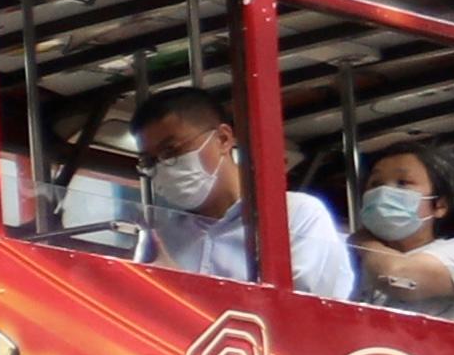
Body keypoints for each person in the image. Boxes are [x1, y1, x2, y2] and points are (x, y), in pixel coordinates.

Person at [133, 89, 355, 300]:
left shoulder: (295, 215)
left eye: (172, 150)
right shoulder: (163, 237)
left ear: (223, 139)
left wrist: (180, 288)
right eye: (150, 161)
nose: (163, 166)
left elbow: (299, 312)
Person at [350, 148, 454, 321]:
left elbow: (399, 277)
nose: (384, 191)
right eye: (376, 184)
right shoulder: (357, 263)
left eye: (403, 182)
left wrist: (364, 242)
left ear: (439, 205)